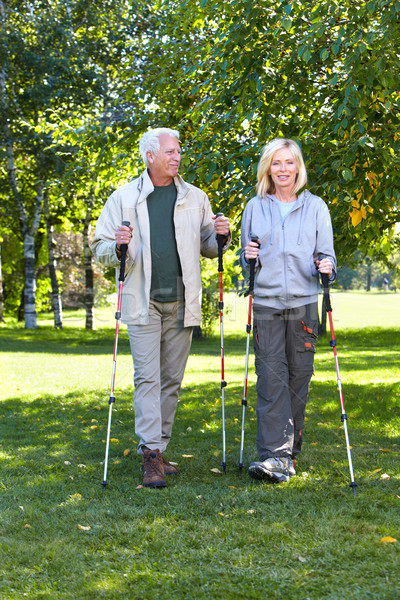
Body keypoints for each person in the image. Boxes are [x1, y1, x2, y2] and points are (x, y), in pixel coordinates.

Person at [91, 127, 230, 488]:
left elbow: (209, 248)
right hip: (143, 302)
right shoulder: (124, 198)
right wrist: (118, 247)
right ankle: (150, 453)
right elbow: (100, 247)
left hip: (182, 302)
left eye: (178, 151)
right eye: (169, 151)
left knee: (171, 381)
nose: (177, 156)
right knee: (147, 378)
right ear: (150, 156)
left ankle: (159, 449)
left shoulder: (195, 197)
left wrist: (222, 236)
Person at [239, 138, 336, 483]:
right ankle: (273, 456)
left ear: (298, 168)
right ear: (268, 168)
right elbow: (244, 260)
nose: (283, 169)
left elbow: (327, 256)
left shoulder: (316, 207)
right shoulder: (254, 207)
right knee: (270, 379)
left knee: (298, 380)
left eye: (289, 163)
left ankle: (288, 456)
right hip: (266, 304)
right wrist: (248, 258)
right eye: (276, 163)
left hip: (304, 305)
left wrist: (325, 265)